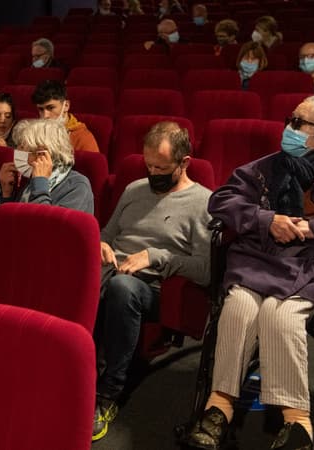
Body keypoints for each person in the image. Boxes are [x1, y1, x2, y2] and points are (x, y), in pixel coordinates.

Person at [182, 96, 314, 450]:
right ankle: (218, 407)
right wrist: (269, 220)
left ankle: (297, 422)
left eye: (298, 123)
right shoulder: (268, 166)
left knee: (279, 318)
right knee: (237, 309)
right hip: (260, 259)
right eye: (291, 120)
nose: (289, 128)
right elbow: (222, 200)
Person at [93, 121, 213, 441]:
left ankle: (108, 393)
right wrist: (102, 244)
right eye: (148, 165)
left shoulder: (202, 202)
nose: (152, 172)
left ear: (184, 162)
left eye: (161, 167)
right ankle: (73, 373)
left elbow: (206, 269)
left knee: (122, 288)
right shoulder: (134, 190)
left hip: (152, 287)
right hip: (111, 270)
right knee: (86, 279)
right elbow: (108, 233)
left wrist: (155, 256)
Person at [0, 118, 93, 214]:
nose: (17, 151)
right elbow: (12, 220)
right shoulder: (30, 178)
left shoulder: (77, 186)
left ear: (42, 154)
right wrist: (7, 193)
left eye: (22, 147)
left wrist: (40, 182)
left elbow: (44, 224)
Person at [31, 79, 100, 153]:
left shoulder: (83, 138)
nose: (45, 116)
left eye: (50, 108)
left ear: (66, 106)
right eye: (41, 109)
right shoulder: (33, 133)